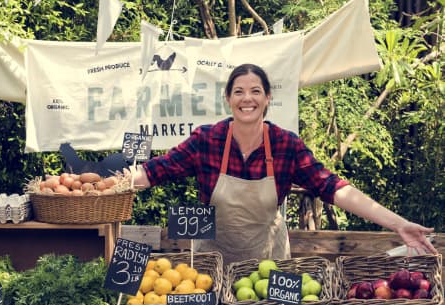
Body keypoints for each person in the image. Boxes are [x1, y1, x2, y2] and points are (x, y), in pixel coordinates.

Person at [127, 63, 437, 265]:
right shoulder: (207, 140)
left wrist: (397, 223)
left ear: (267, 98)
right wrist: (110, 183)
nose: (246, 99)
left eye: (255, 92)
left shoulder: (285, 145)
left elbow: (334, 188)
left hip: (268, 263)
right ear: (227, 99)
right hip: (211, 262)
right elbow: (156, 171)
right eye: (239, 92)